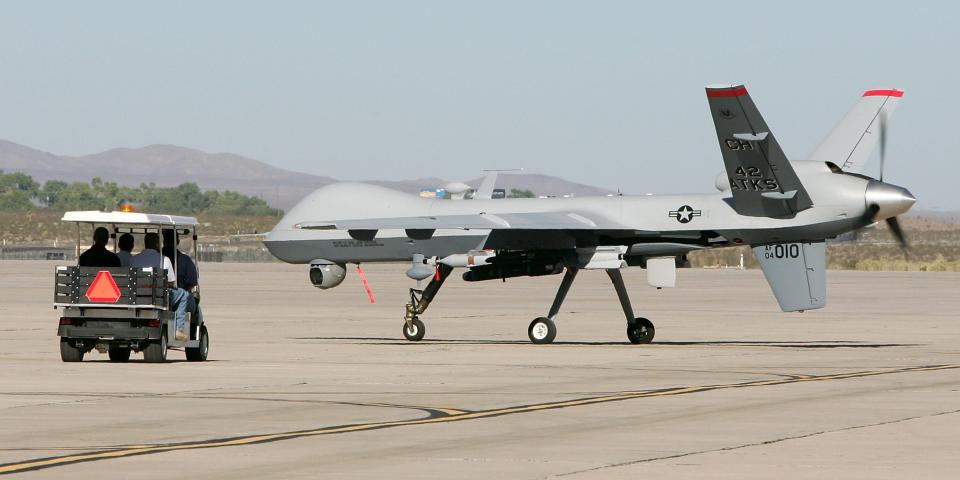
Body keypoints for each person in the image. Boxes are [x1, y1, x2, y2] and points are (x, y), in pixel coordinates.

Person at [131, 232, 190, 340]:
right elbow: (171, 282)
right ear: (158, 245)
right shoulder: (164, 259)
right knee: (183, 294)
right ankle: (178, 329)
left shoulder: (134, 259)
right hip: (158, 297)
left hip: (136, 296)